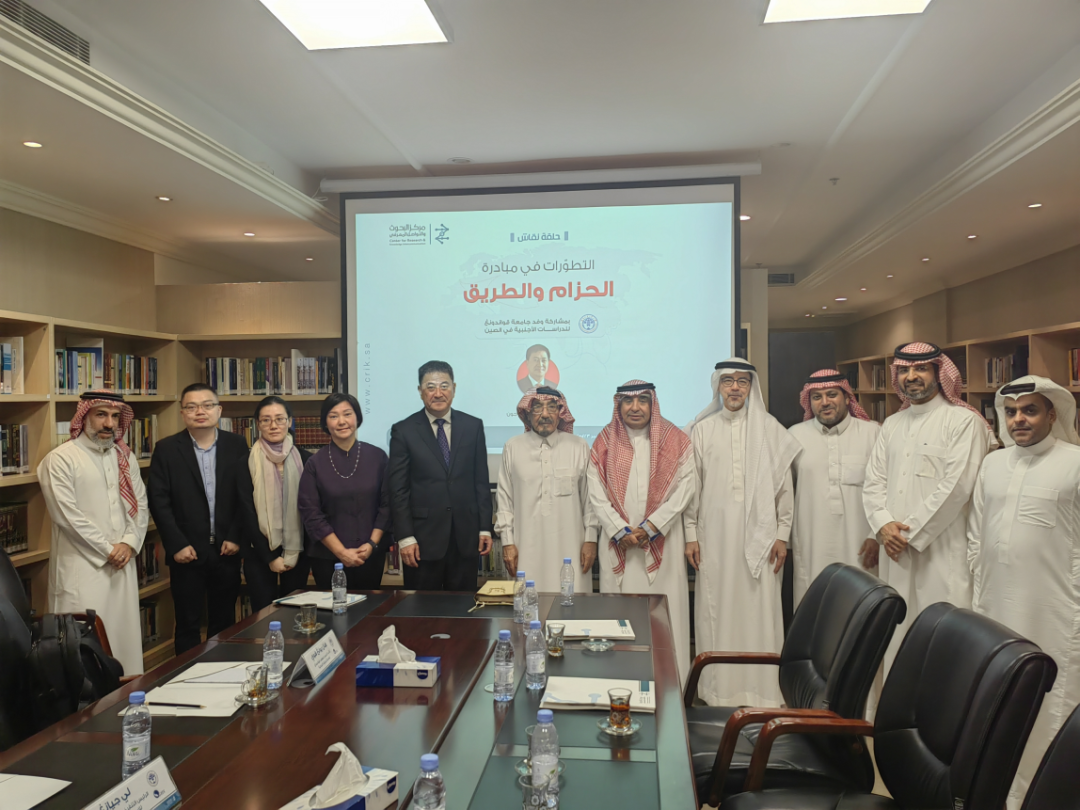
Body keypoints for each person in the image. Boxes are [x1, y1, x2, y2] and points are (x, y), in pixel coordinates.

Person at [967, 376, 1080, 810]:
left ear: (1052, 414)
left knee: (1051, 700)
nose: (1019, 419)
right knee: (1001, 695)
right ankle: (999, 788)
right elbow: (976, 532)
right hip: (995, 603)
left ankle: (1044, 794)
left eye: (1030, 410)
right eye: (1011, 411)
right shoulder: (993, 464)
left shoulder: (1074, 463)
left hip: (1056, 608)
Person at [862, 342, 994, 672]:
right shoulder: (892, 424)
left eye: (921, 368)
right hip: (894, 551)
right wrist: (883, 525)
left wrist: (905, 534)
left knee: (941, 635)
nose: (911, 376)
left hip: (941, 551)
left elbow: (957, 487)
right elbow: (874, 480)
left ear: (939, 372)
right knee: (896, 633)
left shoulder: (964, 422)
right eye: (904, 370)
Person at [685, 360, 801, 706]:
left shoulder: (770, 429)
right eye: (728, 381)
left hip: (761, 537)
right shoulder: (701, 430)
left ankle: (761, 690)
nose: (735, 388)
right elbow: (692, 489)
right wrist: (690, 533)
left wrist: (782, 534)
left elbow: (784, 488)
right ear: (718, 387)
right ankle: (716, 690)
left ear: (751, 387)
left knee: (759, 610)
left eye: (742, 382)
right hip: (714, 537)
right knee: (716, 609)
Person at [588, 380, 695, 684]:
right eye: (628, 401)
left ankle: (670, 685)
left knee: (664, 619)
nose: (635, 408)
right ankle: (620, 683)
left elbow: (687, 489)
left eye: (643, 401)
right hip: (619, 545)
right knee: (619, 618)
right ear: (618, 405)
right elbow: (595, 493)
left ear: (652, 404)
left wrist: (652, 526)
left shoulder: (676, 440)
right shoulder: (604, 441)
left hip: (664, 542)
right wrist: (619, 530)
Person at [38, 391, 149, 675]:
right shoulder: (60, 459)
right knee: (84, 651)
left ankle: (126, 694)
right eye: (101, 415)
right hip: (83, 568)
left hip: (122, 564)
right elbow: (68, 517)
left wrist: (129, 543)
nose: (109, 423)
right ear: (84, 416)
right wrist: (109, 550)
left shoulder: (124, 457)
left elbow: (140, 505)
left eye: (114, 416)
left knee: (123, 642)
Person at [148, 383, 249, 655]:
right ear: (182, 413)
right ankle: (185, 675)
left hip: (227, 550)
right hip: (186, 552)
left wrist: (235, 536)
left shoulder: (237, 445)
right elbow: (158, 501)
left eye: (207, 405)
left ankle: (221, 673)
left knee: (224, 623)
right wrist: (177, 544)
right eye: (191, 407)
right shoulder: (166, 449)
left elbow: (245, 495)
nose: (200, 412)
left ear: (219, 410)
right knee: (187, 624)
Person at [388, 361, 493, 590]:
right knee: (422, 608)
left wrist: (485, 527)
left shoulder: (473, 426)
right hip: (422, 540)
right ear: (420, 391)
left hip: (465, 537)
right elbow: (398, 490)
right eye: (431, 387)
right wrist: (405, 537)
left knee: (463, 607)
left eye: (444, 386)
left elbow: (481, 481)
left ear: (454, 388)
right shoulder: (404, 430)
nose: (438, 393)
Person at [788, 369, 881, 605]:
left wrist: (876, 536)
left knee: (862, 606)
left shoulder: (874, 433)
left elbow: (886, 488)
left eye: (832, 394)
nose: (825, 402)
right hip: (811, 542)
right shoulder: (794, 436)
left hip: (862, 544)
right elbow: (784, 493)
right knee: (815, 606)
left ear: (848, 398)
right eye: (816, 397)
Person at [496, 387, 597, 593]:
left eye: (551, 407)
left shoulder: (579, 446)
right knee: (527, 603)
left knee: (573, 604)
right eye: (537, 408)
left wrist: (591, 540)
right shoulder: (512, 447)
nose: (544, 414)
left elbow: (590, 500)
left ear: (560, 412)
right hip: (525, 549)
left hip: (572, 549)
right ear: (527, 413)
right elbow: (505, 500)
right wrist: (507, 542)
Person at [298, 393, 390, 591]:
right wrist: (341, 552)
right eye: (333, 416)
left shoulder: (378, 457)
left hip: (370, 555)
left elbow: (387, 505)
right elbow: (311, 513)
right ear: (325, 422)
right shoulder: (314, 463)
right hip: (327, 557)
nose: (341, 421)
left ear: (357, 417)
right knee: (333, 609)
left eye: (347, 414)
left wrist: (371, 544)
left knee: (369, 607)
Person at [237, 396, 312, 611]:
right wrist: (269, 557)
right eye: (266, 420)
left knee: (294, 614)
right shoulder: (244, 462)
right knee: (263, 614)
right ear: (258, 424)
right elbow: (246, 512)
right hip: (258, 551)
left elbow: (311, 507)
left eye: (280, 419)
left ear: (289, 422)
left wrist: (293, 554)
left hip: (298, 549)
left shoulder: (306, 459)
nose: (273, 425)